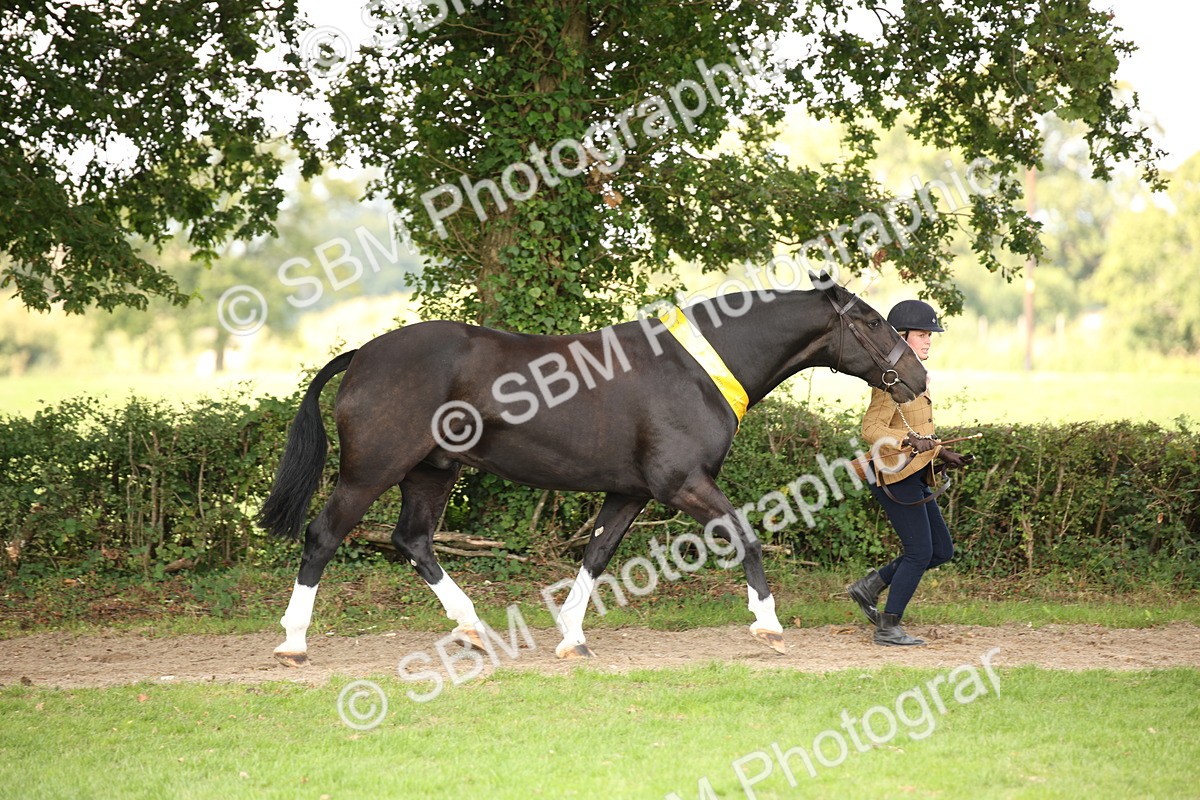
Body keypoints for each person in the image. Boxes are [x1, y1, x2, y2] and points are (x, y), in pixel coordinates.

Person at [846, 299, 973, 646]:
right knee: (919, 552)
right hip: (891, 475)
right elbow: (870, 428)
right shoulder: (890, 379)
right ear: (900, 336)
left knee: (941, 551)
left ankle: (869, 586)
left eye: (930, 334)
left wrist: (943, 452)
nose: (928, 340)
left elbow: (919, 428)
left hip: (915, 471)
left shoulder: (916, 374)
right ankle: (888, 626)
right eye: (921, 334)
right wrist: (908, 439)